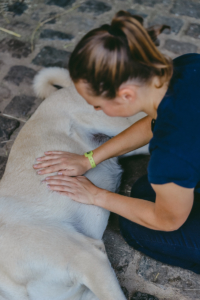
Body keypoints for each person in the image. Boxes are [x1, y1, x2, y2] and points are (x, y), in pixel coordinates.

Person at [33, 11, 200, 274]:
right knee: (148, 191)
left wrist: (95, 194)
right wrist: (89, 158)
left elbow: (168, 220)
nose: (98, 111)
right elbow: (155, 123)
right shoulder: (187, 67)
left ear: (125, 95)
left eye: (98, 105)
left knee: (138, 228)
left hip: (176, 179)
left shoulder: (170, 156)